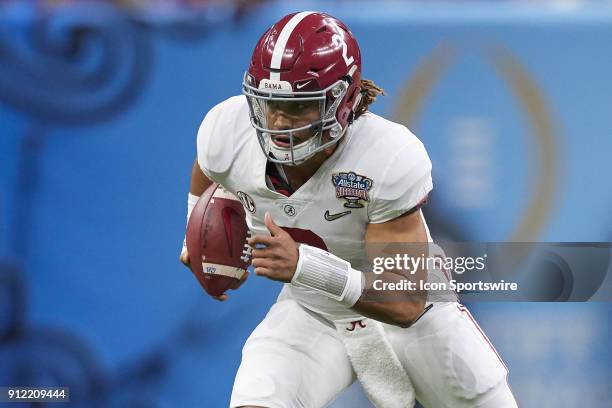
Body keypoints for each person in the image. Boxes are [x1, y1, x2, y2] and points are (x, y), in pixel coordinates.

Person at [180, 11, 517, 408]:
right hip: (314, 311)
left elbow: (405, 298)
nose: (278, 121)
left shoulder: (386, 155)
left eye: (298, 106)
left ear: (342, 101)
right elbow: (208, 167)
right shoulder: (228, 130)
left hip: (415, 317)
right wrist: (196, 229)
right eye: (269, 103)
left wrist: (305, 265)